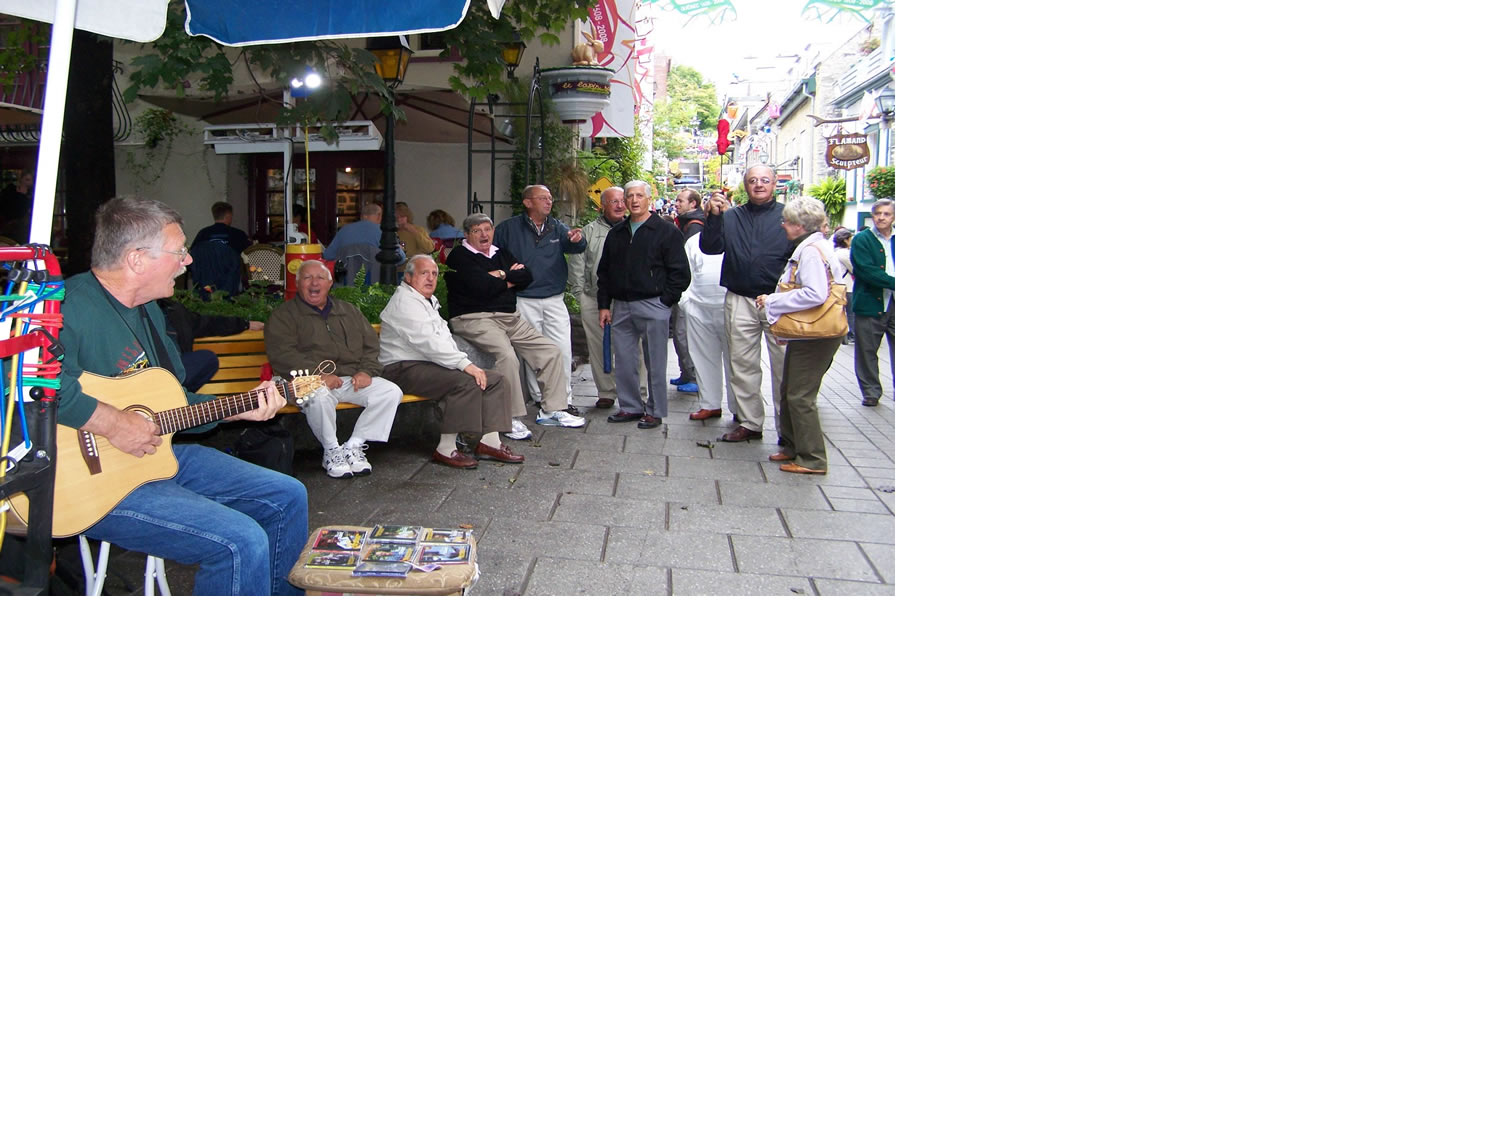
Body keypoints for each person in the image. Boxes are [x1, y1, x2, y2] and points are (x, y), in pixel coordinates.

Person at [54, 196, 306, 595]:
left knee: (288, 494)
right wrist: (114, 423)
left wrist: (239, 409)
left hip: (156, 457)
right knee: (239, 541)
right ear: (137, 259)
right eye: (179, 251)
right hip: (83, 485)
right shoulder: (64, 307)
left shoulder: (151, 311)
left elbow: (175, 406)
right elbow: (30, 385)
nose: (188, 261)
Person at [379, 255, 526, 469]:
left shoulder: (425, 301)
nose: (430, 278)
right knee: (465, 382)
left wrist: (464, 364)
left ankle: (490, 443)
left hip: (428, 364)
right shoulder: (405, 302)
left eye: (434, 274)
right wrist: (466, 366)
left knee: (496, 380)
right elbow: (429, 343)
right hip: (401, 368)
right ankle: (446, 449)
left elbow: (443, 341)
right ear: (408, 278)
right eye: (424, 273)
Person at [264, 258, 402, 478]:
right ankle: (331, 451)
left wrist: (366, 371)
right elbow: (282, 355)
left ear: (330, 284)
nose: (314, 283)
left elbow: (371, 346)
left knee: (390, 392)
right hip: (303, 380)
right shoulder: (283, 316)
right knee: (318, 395)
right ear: (298, 284)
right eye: (307, 278)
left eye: (320, 277)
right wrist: (318, 375)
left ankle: (354, 446)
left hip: (348, 379)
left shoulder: (348, 311)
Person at [444, 212, 583, 430]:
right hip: (474, 318)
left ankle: (552, 409)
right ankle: (510, 418)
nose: (484, 235)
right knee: (507, 357)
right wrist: (508, 277)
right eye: (477, 231)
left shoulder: (500, 253)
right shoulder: (459, 257)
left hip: (509, 317)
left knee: (550, 351)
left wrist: (499, 274)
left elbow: (526, 276)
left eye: (487, 229)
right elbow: (479, 288)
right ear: (467, 234)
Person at [699, 163, 791, 443]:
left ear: (774, 184)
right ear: (745, 185)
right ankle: (750, 422)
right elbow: (710, 247)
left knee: (784, 367)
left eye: (764, 180)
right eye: (753, 180)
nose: (759, 185)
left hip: (778, 301)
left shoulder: (788, 216)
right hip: (740, 297)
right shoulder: (732, 216)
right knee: (741, 363)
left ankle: (788, 430)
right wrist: (714, 218)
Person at [756, 196, 846, 475]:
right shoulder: (814, 247)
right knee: (790, 390)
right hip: (812, 333)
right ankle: (793, 446)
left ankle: (812, 458)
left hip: (816, 335)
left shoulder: (811, 252)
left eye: (786, 221)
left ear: (799, 225)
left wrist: (772, 301)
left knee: (799, 395)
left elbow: (815, 294)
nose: (782, 225)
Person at [595, 180, 691, 429]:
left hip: (653, 304)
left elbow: (680, 272)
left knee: (655, 361)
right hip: (622, 305)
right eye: (630, 196)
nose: (634, 200)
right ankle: (630, 407)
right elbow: (604, 272)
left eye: (639, 195)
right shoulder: (617, 233)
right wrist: (604, 305)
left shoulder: (666, 231)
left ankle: (656, 410)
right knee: (624, 360)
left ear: (649, 199)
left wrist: (666, 301)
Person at [495, 184, 586, 411]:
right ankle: (539, 397)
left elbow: (575, 246)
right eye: (543, 198)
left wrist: (577, 240)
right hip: (524, 297)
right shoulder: (508, 228)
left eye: (550, 198)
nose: (549, 202)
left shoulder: (556, 226)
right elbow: (493, 255)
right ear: (528, 202)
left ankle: (564, 399)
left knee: (562, 349)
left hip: (554, 297)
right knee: (533, 352)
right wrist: (506, 275)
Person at [568, 185, 643, 409]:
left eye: (622, 201)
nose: (620, 205)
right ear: (602, 206)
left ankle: (638, 391)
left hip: (628, 300)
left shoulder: (637, 228)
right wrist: (580, 295)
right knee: (599, 347)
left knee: (634, 347)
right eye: (614, 202)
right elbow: (577, 264)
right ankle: (606, 391)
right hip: (594, 298)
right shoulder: (589, 231)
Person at [680, 203, 735, 422]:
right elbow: (686, 273)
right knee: (703, 359)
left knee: (736, 361)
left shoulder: (736, 237)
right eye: (713, 214)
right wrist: (686, 303)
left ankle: (740, 408)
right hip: (698, 308)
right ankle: (710, 404)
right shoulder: (694, 242)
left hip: (730, 307)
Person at [156, 296, 264, 392]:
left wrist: (245, 324)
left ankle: (179, 398)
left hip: (178, 378)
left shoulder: (173, 310)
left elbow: (208, 324)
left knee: (207, 359)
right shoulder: (145, 315)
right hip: (155, 378)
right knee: (205, 358)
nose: (173, 282)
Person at [850, 198, 895, 406]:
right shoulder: (862, 239)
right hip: (870, 302)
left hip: (895, 302)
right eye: (878, 213)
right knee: (867, 350)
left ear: (894, 217)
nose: (881, 217)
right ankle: (871, 392)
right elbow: (866, 271)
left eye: (886, 214)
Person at [667, 187, 706, 394]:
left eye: (681, 201)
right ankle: (686, 373)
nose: (677, 203)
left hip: (687, 289)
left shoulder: (694, 226)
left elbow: (692, 260)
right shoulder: (686, 223)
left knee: (683, 333)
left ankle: (693, 376)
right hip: (683, 286)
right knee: (680, 332)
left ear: (693, 204)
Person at [324, 200, 399, 284]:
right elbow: (400, 258)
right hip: (375, 284)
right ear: (379, 216)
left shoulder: (344, 230)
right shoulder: (385, 232)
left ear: (361, 216)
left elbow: (327, 255)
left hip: (345, 284)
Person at [831, 226, 855, 346]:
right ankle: (851, 334)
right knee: (850, 312)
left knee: (840, 311)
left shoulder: (834, 252)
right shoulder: (844, 254)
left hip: (837, 286)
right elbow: (853, 269)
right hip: (847, 286)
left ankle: (842, 334)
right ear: (845, 240)